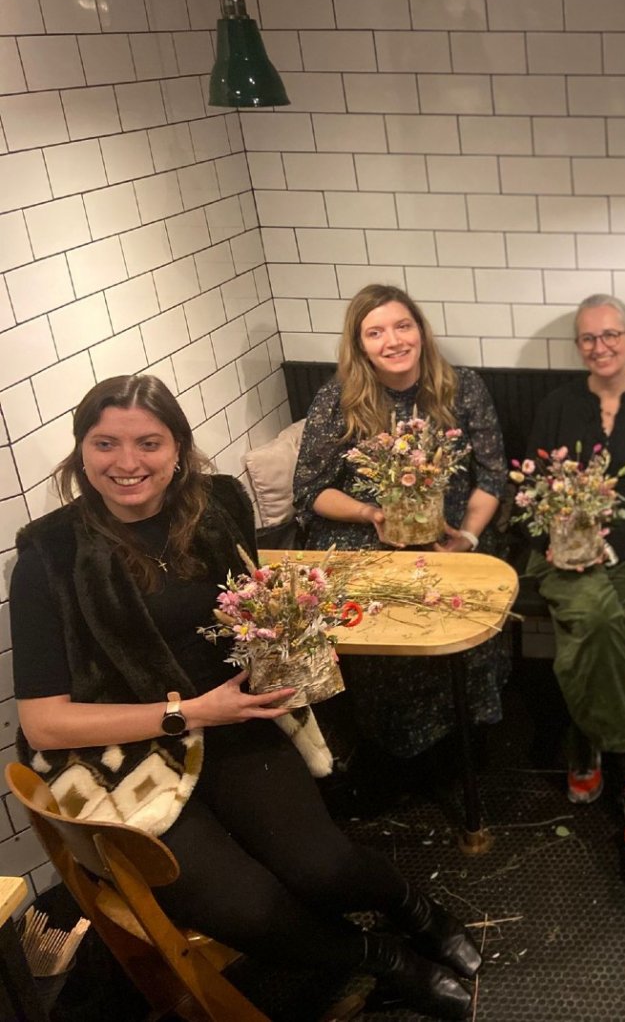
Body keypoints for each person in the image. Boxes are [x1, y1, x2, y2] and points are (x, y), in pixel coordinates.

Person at [11, 375, 481, 1020]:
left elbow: (251, 607)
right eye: (105, 444)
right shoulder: (50, 555)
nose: (127, 463)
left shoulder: (217, 504)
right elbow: (43, 724)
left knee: (323, 868)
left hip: (231, 719)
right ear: (81, 451)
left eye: (148, 443)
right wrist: (188, 713)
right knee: (248, 907)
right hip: (117, 756)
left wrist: (294, 638)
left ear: (178, 449)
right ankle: (383, 960)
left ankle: (416, 912)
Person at [293, 284, 510, 780]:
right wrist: (371, 514)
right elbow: (311, 492)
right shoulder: (338, 398)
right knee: (384, 620)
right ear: (360, 345)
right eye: (375, 332)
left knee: (456, 609)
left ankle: (465, 738)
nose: (392, 341)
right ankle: (389, 750)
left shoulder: (462, 387)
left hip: (451, 531)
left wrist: (468, 537)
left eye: (402, 326)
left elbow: (493, 476)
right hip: (366, 531)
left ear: (420, 331)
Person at [522, 294, 625, 858]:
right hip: (561, 553)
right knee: (596, 619)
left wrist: (610, 546)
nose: (600, 347)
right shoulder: (557, 405)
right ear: (578, 346)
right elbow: (531, 488)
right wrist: (561, 543)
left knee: (590, 627)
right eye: (588, 338)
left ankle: (585, 736)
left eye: (611, 335)